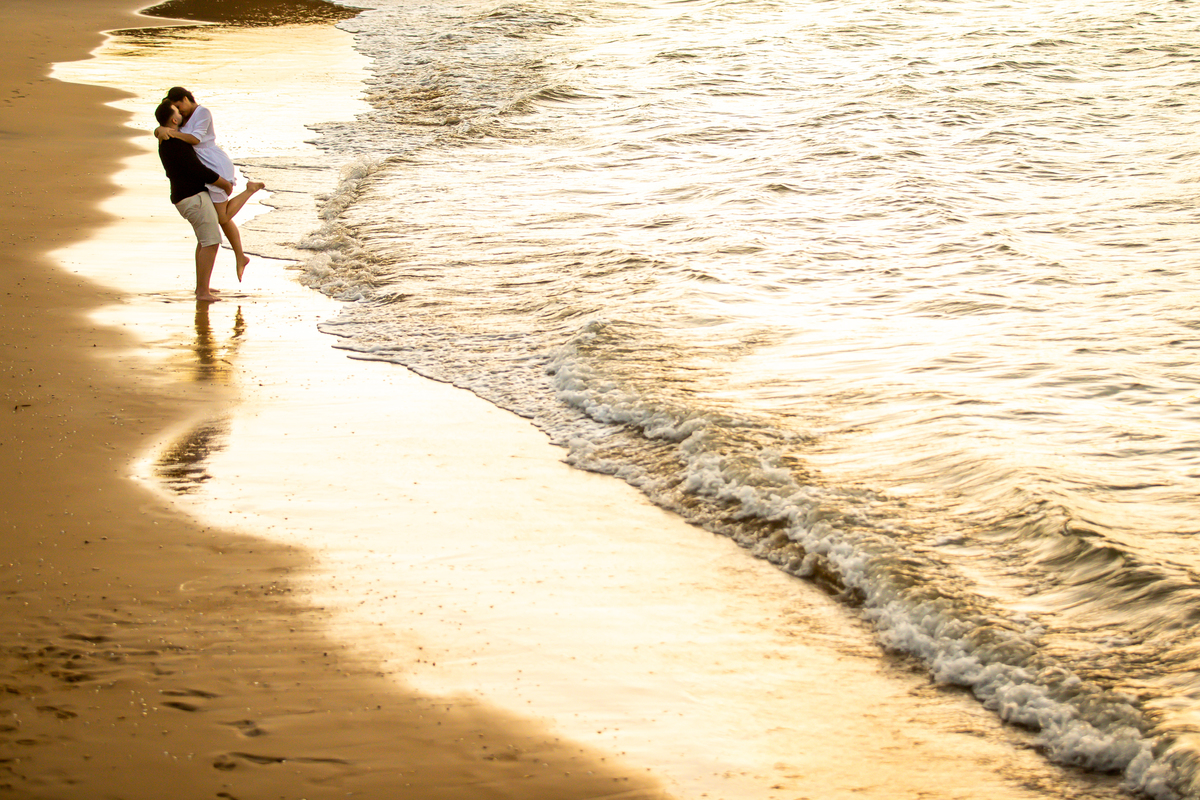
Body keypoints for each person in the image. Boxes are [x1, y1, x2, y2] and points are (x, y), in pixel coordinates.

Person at [155, 87, 263, 281]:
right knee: (218, 221)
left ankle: (249, 191)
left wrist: (170, 132)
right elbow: (167, 124)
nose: (180, 111)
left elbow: (195, 139)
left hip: (215, 165)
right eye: (177, 110)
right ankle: (240, 256)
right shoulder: (184, 118)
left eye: (180, 106)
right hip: (206, 167)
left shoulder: (202, 112)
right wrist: (161, 130)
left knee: (222, 218)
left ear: (187, 99)